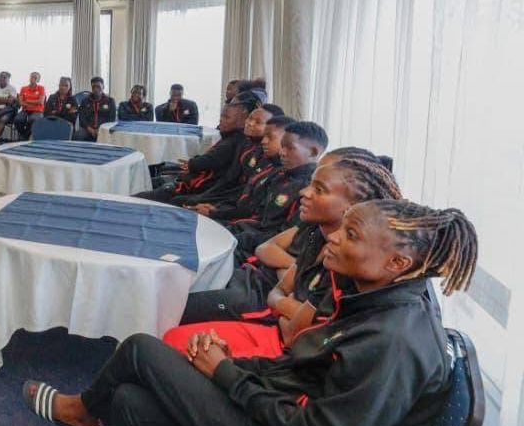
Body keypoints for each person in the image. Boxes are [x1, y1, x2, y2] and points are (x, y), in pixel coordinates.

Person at [22, 198, 476, 426]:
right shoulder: (378, 301)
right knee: (130, 403)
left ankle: (82, 411)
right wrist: (231, 364)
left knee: (141, 348)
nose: (334, 237)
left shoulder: (396, 341)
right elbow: (301, 374)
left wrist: (224, 373)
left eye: (351, 235)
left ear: (397, 262)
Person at [165, 156, 403, 356]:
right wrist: (288, 300)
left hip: (272, 331)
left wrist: (284, 300)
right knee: (174, 305)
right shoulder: (317, 233)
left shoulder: (347, 263)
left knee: (173, 317)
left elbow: (295, 332)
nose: (303, 192)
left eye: (319, 189)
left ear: (353, 206)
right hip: (262, 296)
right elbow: (277, 283)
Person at [228, 120, 328, 257]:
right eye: (282, 146)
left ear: (313, 152)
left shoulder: (309, 190)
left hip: (264, 250)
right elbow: (257, 215)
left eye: (290, 148)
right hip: (248, 233)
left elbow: (285, 236)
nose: (282, 152)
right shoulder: (279, 175)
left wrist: (241, 238)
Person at [136, 99, 255, 204]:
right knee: (151, 178)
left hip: (196, 189)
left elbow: (207, 161)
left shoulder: (232, 143)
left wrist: (191, 164)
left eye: (226, 117)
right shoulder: (232, 137)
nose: (221, 120)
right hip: (193, 182)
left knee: (139, 195)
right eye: (221, 116)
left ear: (242, 121)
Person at [183, 104, 284, 210]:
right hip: (226, 195)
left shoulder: (268, 156)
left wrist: (216, 209)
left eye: (258, 122)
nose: (250, 123)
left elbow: (248, 192)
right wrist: (203, 197)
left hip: (238, 203)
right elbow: (229, 179)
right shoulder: (245, 143)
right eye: (250, 118)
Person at [75, 76, 117, 141]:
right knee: (77, 136)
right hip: (88, 129)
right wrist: (90, 130)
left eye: (98, 87)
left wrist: (100, 129)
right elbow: (82, 119)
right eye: (93, 87)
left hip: (104, 129)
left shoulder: (110, 101)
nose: (96, 89)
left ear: (103, 87)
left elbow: (112, 119)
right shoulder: (85, 101)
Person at [15, 71, 47, 137]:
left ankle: (25, 137)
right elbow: (20, 102)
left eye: (35, 78)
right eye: (32, 77)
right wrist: (34, 103)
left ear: (38, 80)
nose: (33, 79)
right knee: (18, 120)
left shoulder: (41, 88)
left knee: (33, 119)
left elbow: (41, 101)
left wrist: (27, 101)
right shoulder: (23, 88)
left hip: (37, 111)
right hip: (25, 110)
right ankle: (24, 135)